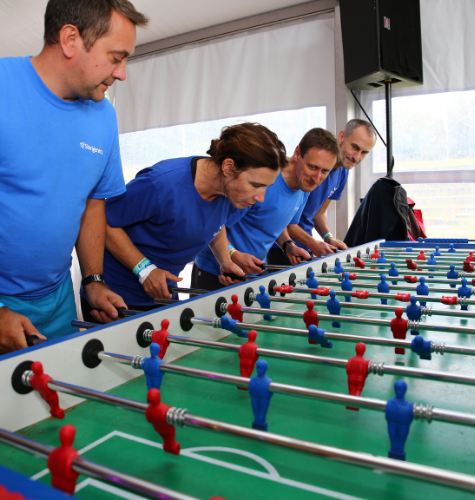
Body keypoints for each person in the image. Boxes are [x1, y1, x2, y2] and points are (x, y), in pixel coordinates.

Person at [0, 0, 148, 353]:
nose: (122, 74)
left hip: (59, 298)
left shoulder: (103, 116)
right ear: (70, 39)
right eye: (116, 57)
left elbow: (92, 204)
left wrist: (94, 280)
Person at [80, 123, 286, 320]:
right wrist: (144, 269)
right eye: (256, 185)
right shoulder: (161, 184)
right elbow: (100, 221)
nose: (261, 197)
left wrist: (226, 259)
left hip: (165, 292)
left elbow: (216, 222)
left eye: (266, 187)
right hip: (116, 294)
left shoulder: (233, 193)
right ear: (229, 167)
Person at [192, 128, 340, 291]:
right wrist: (233, 253)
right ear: (297, 153)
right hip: (215, 271)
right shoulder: (263, 180)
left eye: (324, 171)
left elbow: (278, 221)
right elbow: (215, 223)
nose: (317, 178)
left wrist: (288, 245)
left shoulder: (305, 185)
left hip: (252, 273)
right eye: (313, 167)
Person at [268, 119, 377, 265]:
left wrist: (327, 237)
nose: (356, 157)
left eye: (364, 152)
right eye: (355, 147)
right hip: (279, 246)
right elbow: (281, 219)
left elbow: (318, 213)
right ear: (341, 137)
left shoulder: (342, 173)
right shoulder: (300, 176)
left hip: (300, 244)